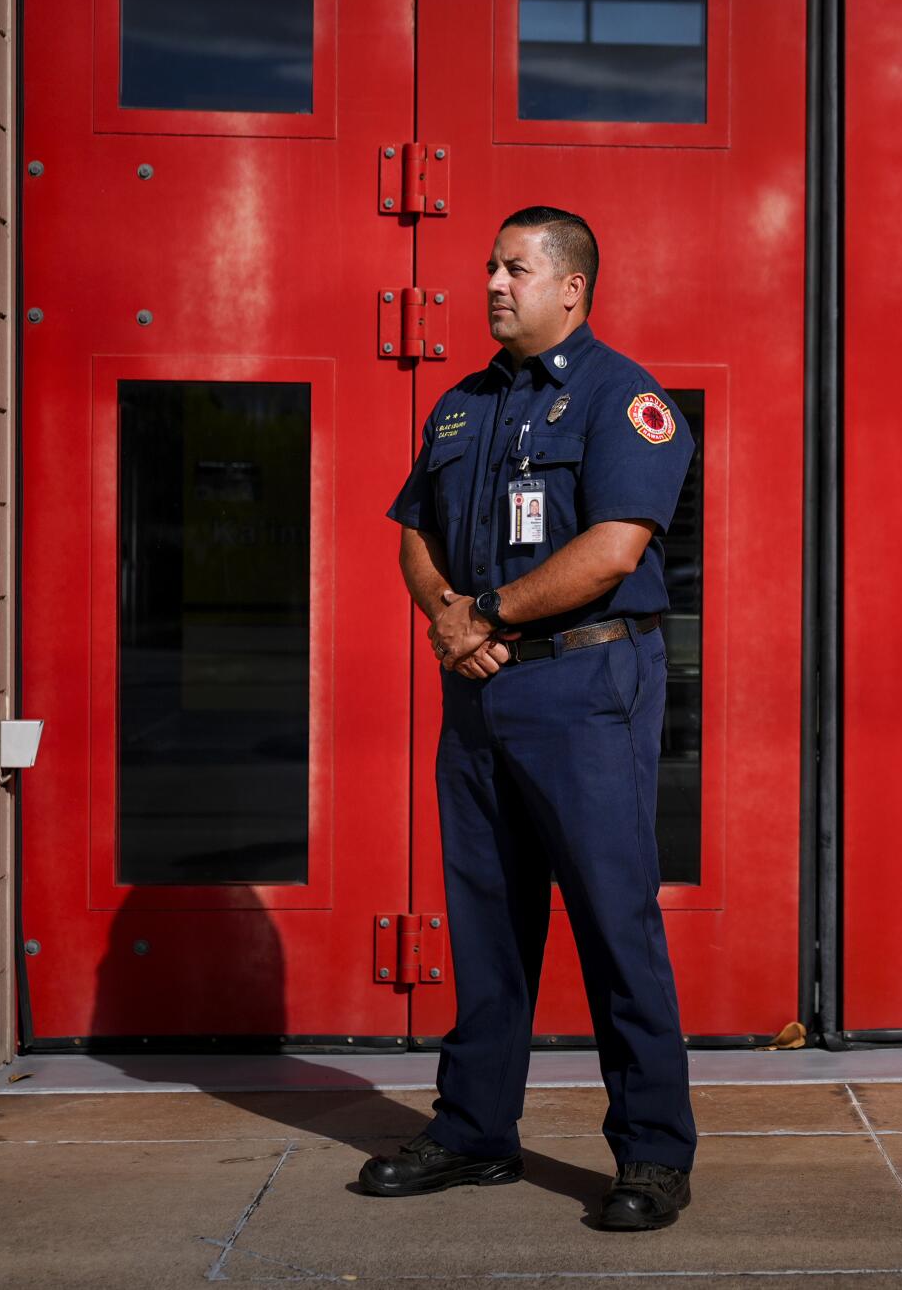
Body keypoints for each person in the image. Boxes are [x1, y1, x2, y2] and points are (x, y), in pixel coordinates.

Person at [359, 206, 698, 1231]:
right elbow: (414, 529)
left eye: (515, 268)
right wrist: (448, 618)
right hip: (480, 691)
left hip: (583, 688)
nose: (493, 283)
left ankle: (650, 1150)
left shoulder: (622, 397)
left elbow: (613, 548)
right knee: (485, 918)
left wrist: (487, 615)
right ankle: (473, 1131)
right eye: (490, 267)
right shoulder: (461, 405)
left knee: (611, 916)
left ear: (571, 287)